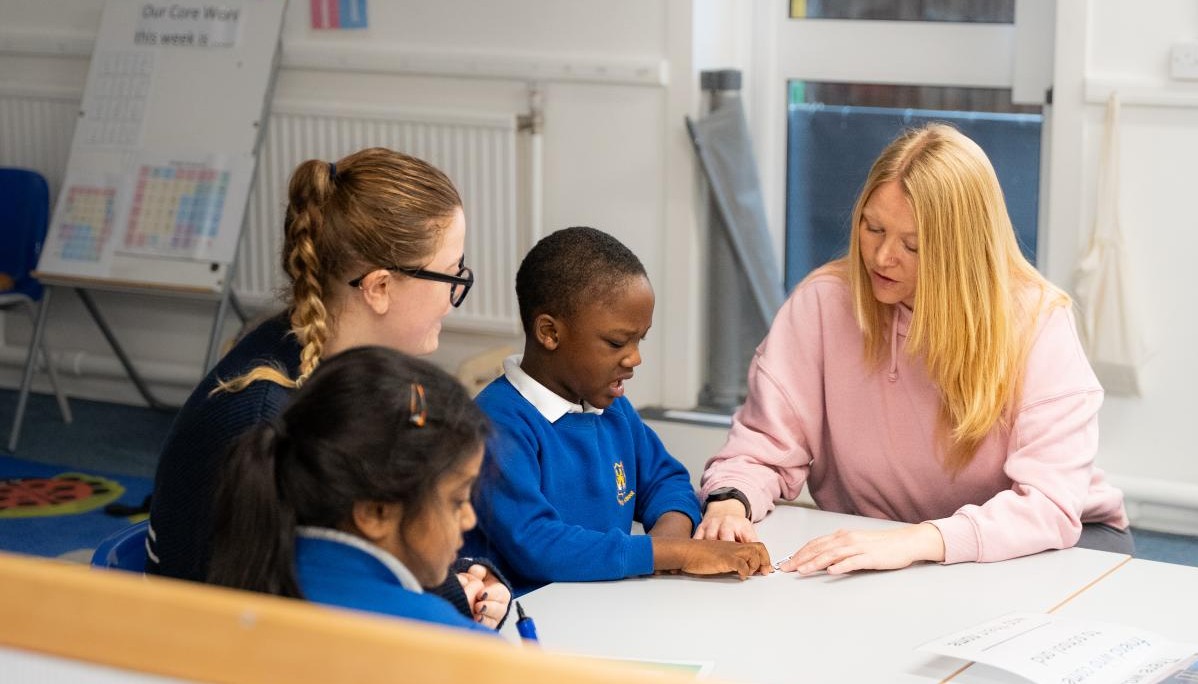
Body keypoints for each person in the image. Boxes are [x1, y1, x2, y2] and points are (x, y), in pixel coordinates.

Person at [695, 124, 1132, 575]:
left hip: (1055, 540)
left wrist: (920, 540)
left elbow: (1048, 506)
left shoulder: (1037, 320)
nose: (883, 257)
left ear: (963, 251)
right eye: (872, 227)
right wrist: (732, 500)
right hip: (894, 542)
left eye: (914, 245)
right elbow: (762, 446)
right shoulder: (822, 304)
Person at [147, 147, 509, 627]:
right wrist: (450, 601)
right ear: (379, 287)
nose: (454, 296)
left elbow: (361, 536)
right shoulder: (266, 415)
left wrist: (459, 579)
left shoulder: (341, 368)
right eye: (451, 275)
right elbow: (285, 600)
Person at [462, 226, 771, 595]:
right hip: (530, 620)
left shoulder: (612, 409)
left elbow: (666, 480)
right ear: (550, 332)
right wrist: (673, 553)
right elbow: (539, 546)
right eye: (616, 342)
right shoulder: (496, 424)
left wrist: (670, 541)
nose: (635, 357)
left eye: (640, 339)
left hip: (607, 605)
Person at [207, 347, 493, 633]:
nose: (469, 519)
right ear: (377, 513)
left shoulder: (240, 582)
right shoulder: (458, 642)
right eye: (457, 500)